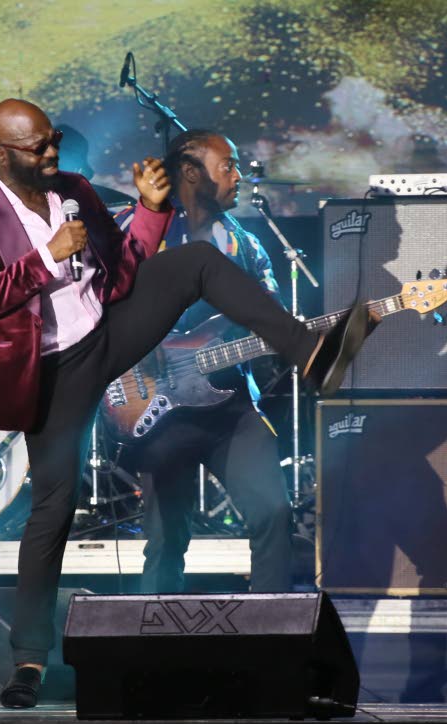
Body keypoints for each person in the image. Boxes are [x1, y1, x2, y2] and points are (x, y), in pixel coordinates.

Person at [0, 98, 369, 708]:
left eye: (54, 139)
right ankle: (28, 658)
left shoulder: (74, 189)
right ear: (1, 154)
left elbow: (119, 275)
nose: (53, 152)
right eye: (38, 147)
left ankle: (309, 352)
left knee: (195, 262)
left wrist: (149, 211)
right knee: (52, 511)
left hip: (106, 333)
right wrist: (45, 258)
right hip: (53, 372)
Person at [113, 129, 300, 594]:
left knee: (274, 514)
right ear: (192, 171)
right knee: (164, 540)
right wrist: (134, 341)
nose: (238, 176)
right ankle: (150, 650)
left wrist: (309, 337)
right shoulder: (133, 228)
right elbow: (94, 302)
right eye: (229, 164)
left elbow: (270, 320)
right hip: (156, 407)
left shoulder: (246, 247)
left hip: (231, 408)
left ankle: (272, 634)